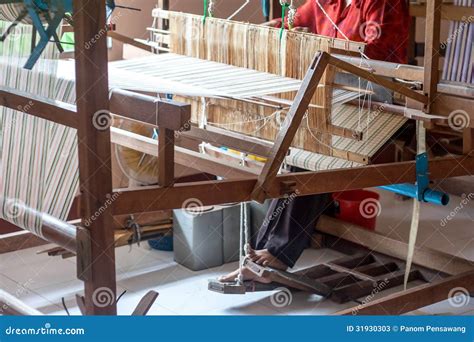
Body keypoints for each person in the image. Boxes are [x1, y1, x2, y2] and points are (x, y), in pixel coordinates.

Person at [219, 0, 410, 284]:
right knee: (297, 147)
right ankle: (264, 254)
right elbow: (291, 22)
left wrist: (320, 49)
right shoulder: (325, 2)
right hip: (334, 99)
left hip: (377, 103)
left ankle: (274, 255)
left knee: (314, 152)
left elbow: (382, 55)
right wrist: (265, 31)